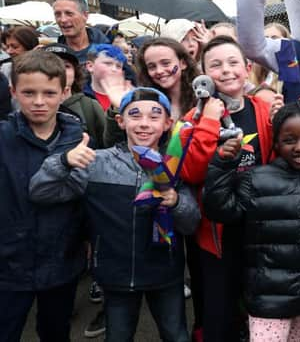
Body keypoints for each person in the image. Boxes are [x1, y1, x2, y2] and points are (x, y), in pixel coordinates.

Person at [30, 87, 201, 342]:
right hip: (114, 275)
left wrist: (175, 202)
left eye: (154, 116)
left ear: (168, 124)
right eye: (135, 115)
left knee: (176, 335)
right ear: (120, 121)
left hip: (165, 274)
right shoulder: (96, 163)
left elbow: (191, 223)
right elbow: (41, 192)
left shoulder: (174, 165)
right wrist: (63, 161)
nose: (144, 123)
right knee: (118, 336)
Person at [202, 101, 300, 342]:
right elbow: (221, 211)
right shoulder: (256, 179)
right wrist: (221, 166)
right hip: (268, 301)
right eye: (289, 140)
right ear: (276, 142)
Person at [179, 35, 274, 342]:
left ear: (247, 68)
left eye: (233, 62)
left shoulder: (262, 109)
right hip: (215, 232)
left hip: (259, 226)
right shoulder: (192, 118)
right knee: (220, 311)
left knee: (259, 305)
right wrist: (207, 120)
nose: (226, 70)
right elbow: (192, 172)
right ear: (204, 74)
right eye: (216, 65)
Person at [0, 50, 86, 341]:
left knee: (55, 330)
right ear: (13, 91)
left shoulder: (79, 139)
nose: (38, 102)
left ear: (64, 92)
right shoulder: (3, 137)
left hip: (61, 259)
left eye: (49, 93)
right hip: (8, 262)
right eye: (28, 92)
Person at [42, 43, 105, 149]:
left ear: (76, 72)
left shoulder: (89, 106)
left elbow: (106, 145)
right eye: (50, 65)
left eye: (66, 66)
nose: (60, 70)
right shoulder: (27, 103)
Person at [53, 0, 110, 64]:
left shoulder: (108, 51)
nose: (63, 20)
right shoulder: (53, 56)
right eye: (57, 14)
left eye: (69, 13)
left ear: (85, 16)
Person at [84, 44, 128, 111]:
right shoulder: (79, 98)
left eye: (118, 66)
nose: (114, 69)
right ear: (90, 66)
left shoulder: (129, 97)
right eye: (108, 63)